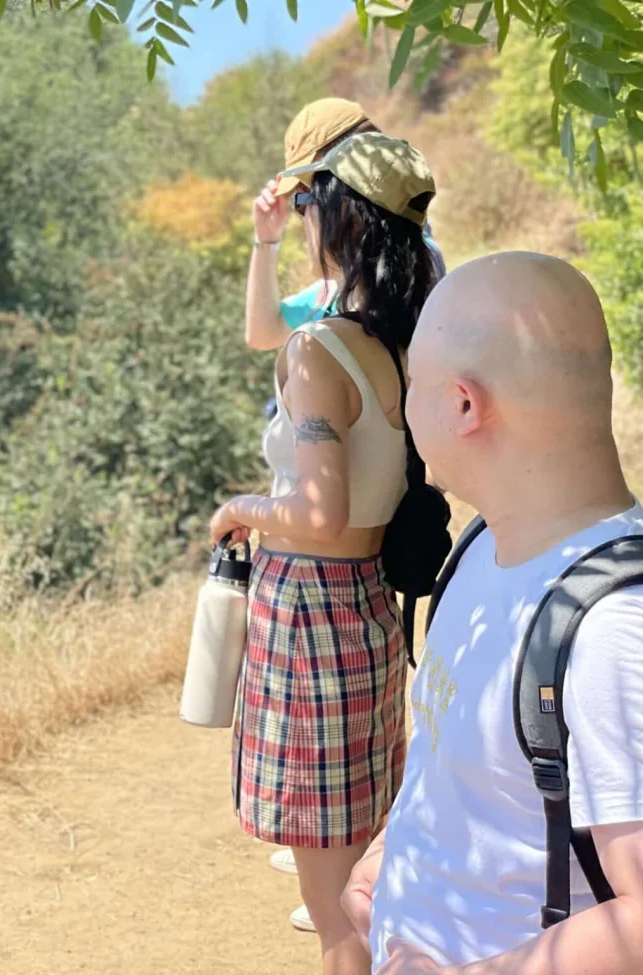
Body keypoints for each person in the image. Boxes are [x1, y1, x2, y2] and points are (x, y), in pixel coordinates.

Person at [341, 252, 643, 975]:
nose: (404, 411)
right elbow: (464, 750)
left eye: (413, 386)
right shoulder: (483, 545)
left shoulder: (613, 628)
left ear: (465, 405)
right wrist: (392, 853)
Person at [209, 132, 438, 975]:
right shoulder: (411, 342)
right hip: (375, 606)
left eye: (308, 203)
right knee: (370, 876)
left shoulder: (319, 349)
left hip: (308, 612)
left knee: (334, 907)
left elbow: (315, 508)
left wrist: (238, 508)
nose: (302, 217)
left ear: (335, 218)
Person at [246, 99, 446, 355]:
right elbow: (264, 333)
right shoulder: (355, 278)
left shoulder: (405, 268)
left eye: (306, 196)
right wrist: (266, 240)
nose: (305, 216)